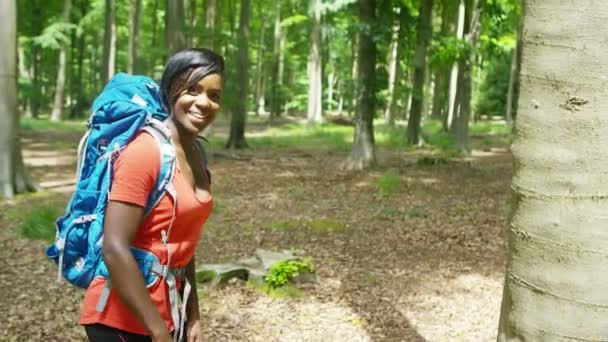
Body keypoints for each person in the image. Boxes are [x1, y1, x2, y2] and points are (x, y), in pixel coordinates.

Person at [79, 48, 224, 342]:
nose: (203, 102)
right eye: (192, 90)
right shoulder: (145, 152)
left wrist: (193, 314)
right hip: (121, 320)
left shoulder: (197, 154)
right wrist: (156, 331)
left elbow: (184, 242)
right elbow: (114, 247)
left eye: (214, 95)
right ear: (171, 89)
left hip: (170, 311)